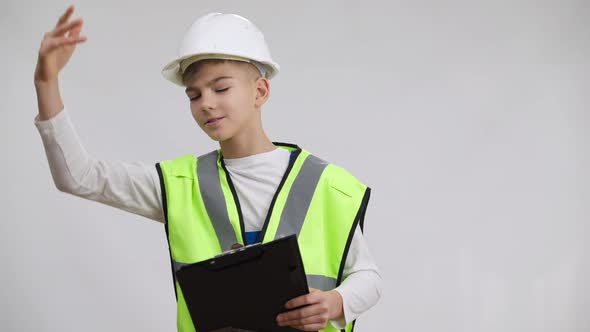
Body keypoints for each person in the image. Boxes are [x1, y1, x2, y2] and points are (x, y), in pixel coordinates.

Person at [34, 5, 382, 332]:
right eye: (194, 95)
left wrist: (336, 302)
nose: (206, 104)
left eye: (221, 88)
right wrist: (46, 84)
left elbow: (368, 276)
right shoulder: (179, 184)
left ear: (260, 91)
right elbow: (77, 176)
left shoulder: (327, 184)